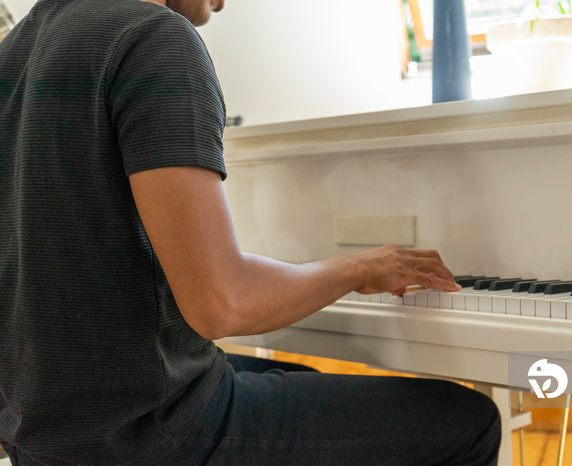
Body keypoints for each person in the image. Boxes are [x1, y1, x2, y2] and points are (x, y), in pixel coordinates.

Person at [0, 0, 501, 463]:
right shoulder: (154, 38)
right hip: (153, 437)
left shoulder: (13, 52)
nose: (221, 3)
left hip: (42, 438)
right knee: (469, 422)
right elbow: (223, 303)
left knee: (307, 383)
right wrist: (358, 267)